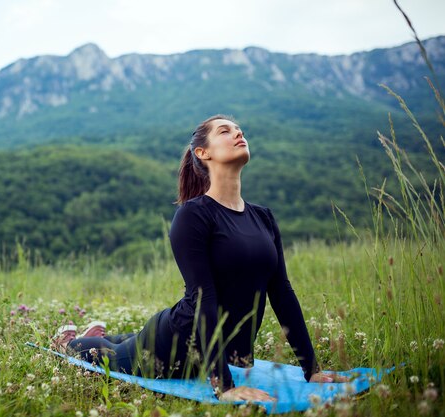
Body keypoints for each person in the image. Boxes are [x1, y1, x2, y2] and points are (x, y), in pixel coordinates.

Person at [53, 114, 348, 402]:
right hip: (175, 348)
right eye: (224, 131)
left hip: (225, 351)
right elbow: (204, 298)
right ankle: (70, 342)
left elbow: (281, 293)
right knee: (108, 356)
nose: (238, 133)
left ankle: (111, 334)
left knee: (127, 340)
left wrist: (312, 370)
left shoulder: (263, 217)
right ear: (202, 152)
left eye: (239, 129)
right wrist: (225, 386)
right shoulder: (193, 215)